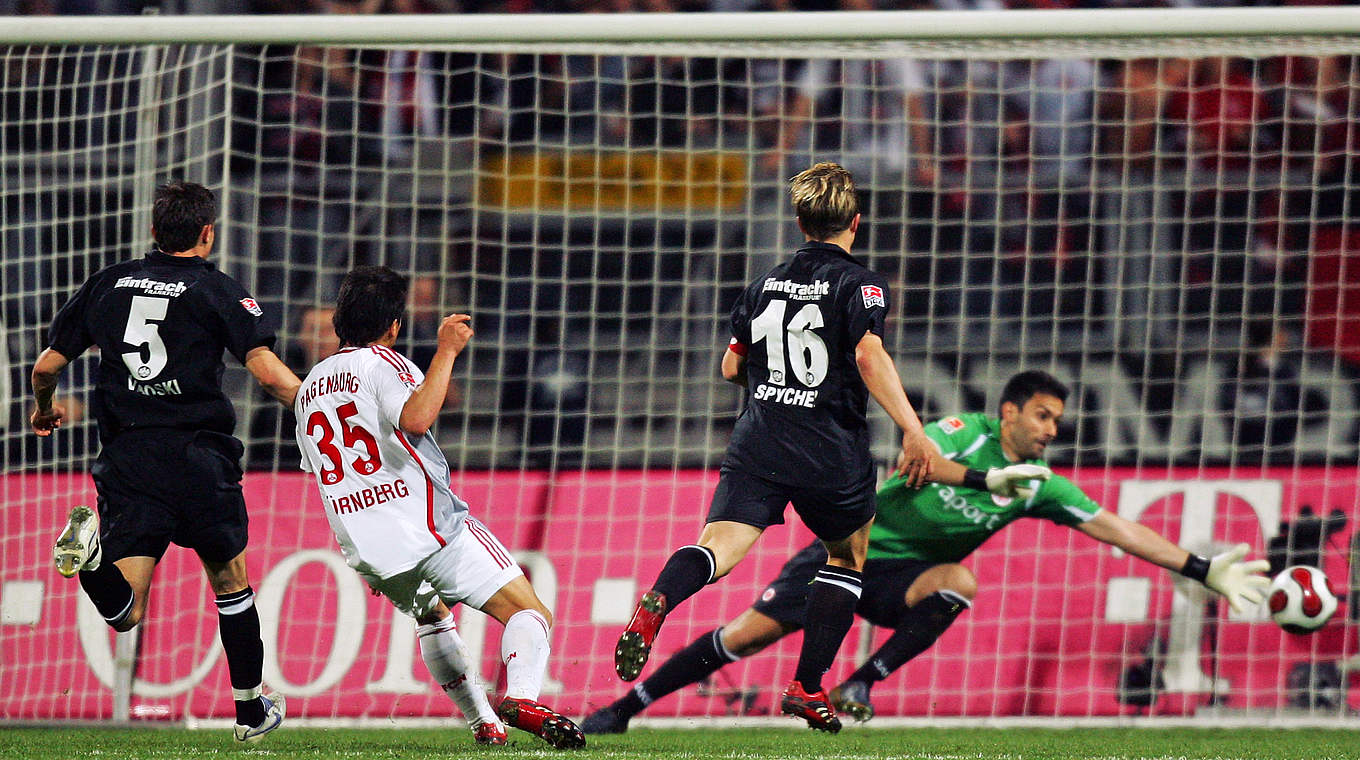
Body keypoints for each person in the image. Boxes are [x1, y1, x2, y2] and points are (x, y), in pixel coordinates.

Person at [584, 370, 1274, 733]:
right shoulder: (963, 432)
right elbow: (923, 460)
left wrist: (1200, 566)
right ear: (1008, 412)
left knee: (959, 582)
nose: (1050, 431)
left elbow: (1119, 529)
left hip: (901, 582)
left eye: (1058, 422)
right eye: (1042, 415)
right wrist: (984, 477)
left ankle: (861, 683)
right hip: (849, 554)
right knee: (741, 637)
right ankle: (628, 705)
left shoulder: (1041, 485)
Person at [612, 162, 1047, 733]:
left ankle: (661, 600)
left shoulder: (764, 282)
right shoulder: (860, 284)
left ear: (800, 221)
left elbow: (729, 367)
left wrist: (779, 383)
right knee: (845, 558)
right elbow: (869, 356)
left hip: (759, 440)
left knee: (717, 549)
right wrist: (914, 429)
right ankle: (807, 685)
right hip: (828, 449)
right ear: (855, 223)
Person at [31, 181, 300, 743]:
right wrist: (324, 409)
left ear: (154, 231)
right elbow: (270, 375)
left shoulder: (107, 283)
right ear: (207, 233)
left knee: (126, 612)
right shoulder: (219, 290)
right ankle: (250, 713)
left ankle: (91, 561)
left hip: (129, 457)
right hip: (200, 456)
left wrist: (44, 409)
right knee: (230, 582)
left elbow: (45, 366)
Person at [292, 265, 585, 749]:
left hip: (367, 545)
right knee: (528, 614)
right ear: (394, 327)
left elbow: (322, 472)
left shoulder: (308, 391)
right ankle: (523, 698)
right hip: (427, 527)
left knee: (432, 616)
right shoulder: (384, 363)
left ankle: (484, 723)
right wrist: (446, 351)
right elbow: (419, 416)